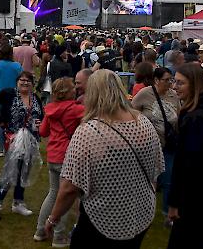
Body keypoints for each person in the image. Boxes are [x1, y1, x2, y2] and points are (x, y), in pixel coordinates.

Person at [45, 69, 164, 247]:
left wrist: (53, 218)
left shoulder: (88, 131)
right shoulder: (143, 121)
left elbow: (69, 187)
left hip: (102, 217)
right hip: (139, 213)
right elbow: (156, 170)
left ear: (92, 93)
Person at [167, 63, 203, 249]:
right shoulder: (198, 111)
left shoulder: (196, 117)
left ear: (194, 85)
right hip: (200, 196)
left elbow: (189, 164)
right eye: (174, 82)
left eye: (180, 83)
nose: (174, 87)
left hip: (195, 199)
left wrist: (175, 202)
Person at [34, 77, 85, 246]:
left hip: (53, 156)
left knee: (53, 194)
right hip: (67, 157)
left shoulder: (50, 109)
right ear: (67, 92)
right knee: (64, 199)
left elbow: (42, 131)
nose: (75, 90)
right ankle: (59, 236)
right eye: (73, 88)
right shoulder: (76, 109)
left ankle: (40, 231)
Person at [0, 71, 44, 222]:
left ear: (32, 84)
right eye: (22, 80)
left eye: (28, 81)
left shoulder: (35, 98)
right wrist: (0, 122)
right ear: (17, 82)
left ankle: (18, 202)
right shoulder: (9, 94)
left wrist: (40, 123)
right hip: (13, 139)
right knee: (10, 172)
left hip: (31, 139)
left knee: (24, 171)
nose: (25, 83)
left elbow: (41, 115)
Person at [131, 66, 180, 228]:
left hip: (169, 145)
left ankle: (168, 213)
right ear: (156, 80)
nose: (170, 83)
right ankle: (140, 212)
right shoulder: (145, 94)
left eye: (171, 80)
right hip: (147, 145)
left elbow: (178, 118)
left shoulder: (174, 96)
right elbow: (132, 114)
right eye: (167, 80)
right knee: (145, 180)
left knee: (169, 179)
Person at [0, 44, 23, 156]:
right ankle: (13, 147)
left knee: (1, 124)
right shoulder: (17, 66)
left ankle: (1, 149)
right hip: (13, 97)